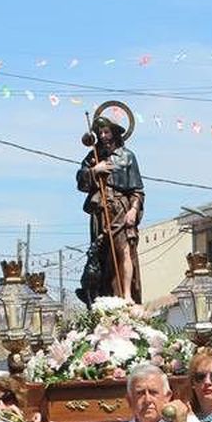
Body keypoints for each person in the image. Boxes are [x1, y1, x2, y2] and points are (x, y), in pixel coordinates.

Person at [76, 115, 144, 304]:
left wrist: (133, 210)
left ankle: (127, 295)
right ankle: (104, 298)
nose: (103, 136)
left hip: (121, 208)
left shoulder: (127, 156)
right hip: (101, 211)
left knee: (125, 250)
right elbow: (81, 181)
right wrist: (94, 171)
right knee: (102, 255)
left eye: (106, 132)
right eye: (100, 133)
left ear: (114, 133)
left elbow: (137, 190)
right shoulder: (93, 157)